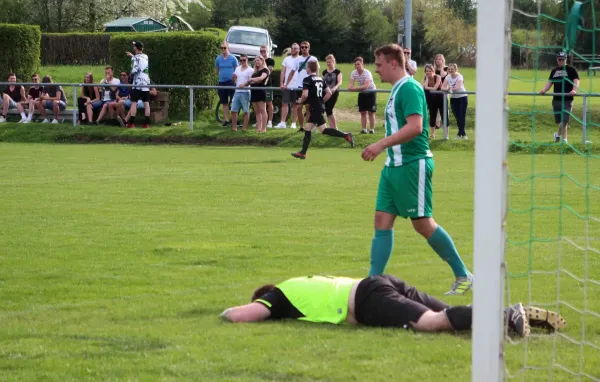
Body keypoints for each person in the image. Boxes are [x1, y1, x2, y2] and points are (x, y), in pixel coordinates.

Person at [361, 44, 473, 295]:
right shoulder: (397, 89)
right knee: (381, 221)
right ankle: (372, 283)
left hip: (413, 165)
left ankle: (463, 275)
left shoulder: (410, 88)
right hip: (393, 167)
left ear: (393, 63)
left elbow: (415, 127)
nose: (375, 69)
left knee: (423, 224)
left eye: (379, 64)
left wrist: (379, 144)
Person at [219, 274, 566, 338]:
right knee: (452, 318)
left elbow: (238, 316)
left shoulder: (279, 296)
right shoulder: (301, 283)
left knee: (430, 323)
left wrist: (221, 314)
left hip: (368, 301)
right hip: (379, 282)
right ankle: (509, 319)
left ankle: (508, 313)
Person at [291, 61, 355, 160]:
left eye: (307, 68)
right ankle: (303, 153)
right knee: (309, 128)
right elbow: (329, 93)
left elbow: (304, 95)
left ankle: (346, 135)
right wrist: (321, 102)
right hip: (318, 107)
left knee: (322, 130)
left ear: (309, 68)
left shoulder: (307, 80)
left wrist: (300, 100)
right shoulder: (320, 79)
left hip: (314, 108)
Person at [539, 51, 580, 143]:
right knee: (561, 121)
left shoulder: (571, 69)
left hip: (567, 99)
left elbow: (576, 81)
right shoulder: (554, 71)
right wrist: (544, 89)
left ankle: (564, 139)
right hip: (556, 99)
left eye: (562, 59)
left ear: (566, 59)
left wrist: (574, 90)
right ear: (557, 60)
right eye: (559, 60)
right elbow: (550, 82)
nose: (561, 61)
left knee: (565, 120)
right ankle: (558, 136)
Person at [126, 41, 152, 129]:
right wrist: (132, 56)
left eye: (134, 46)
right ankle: (146, 124)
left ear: (135, 48)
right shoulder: (146, 56)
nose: (133, 47)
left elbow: (134, 70)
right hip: (146, 83)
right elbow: (140, 60)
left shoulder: (134, 58)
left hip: (137, 83)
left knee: (134, 102)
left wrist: (130, 76)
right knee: (146, 103)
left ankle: (131, 123)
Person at [349, 56, 377, 134]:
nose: (357, 66)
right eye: (355, 65)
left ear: (362, 64)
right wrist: (358, 88)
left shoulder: (367, 73)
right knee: (362, 112)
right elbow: (350, 86)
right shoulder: (353, 73)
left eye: (358, 64)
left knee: (371, 112)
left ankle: (372, 129)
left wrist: (355, 88)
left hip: (371, 92)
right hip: (362, 93)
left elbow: (366, 86)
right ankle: (364, 129)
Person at [276, 43, 301, 129]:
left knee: (296, 105)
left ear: (299, 50)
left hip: (297, 86)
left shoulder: (301, 59)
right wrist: (281, 83)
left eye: (296, 48)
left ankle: (294, 123)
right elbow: (283, 72)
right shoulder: (286, 59)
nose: (294, 50)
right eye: (292, 48)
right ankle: (283, 122)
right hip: (287, 85)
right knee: (284, 104)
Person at [442, 64, 468, 139]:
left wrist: (449, 88)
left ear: (456, 69)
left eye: (452, 69)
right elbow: (443, 86)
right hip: (453, 98)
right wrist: (446, 88)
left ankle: (462, 133)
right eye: (449, 69)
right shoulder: (448, 77)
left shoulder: (460, 76)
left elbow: (458, 87)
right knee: (456, 115)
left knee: (461, 115)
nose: (450, 71)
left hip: (462, 97)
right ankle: (461, 133)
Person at [215, 41, 238, 127]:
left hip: (231, 82)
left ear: (228, 48)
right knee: (224, 102)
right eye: (221, 48)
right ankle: (226, 120)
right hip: (222, 82)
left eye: (224, 48)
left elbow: (237, 70)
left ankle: (234, 120)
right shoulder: (218, 59)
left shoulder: (233, 58)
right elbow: (217, 71)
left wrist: (235, 80)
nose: (223, 49)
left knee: (233, 101)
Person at [246, 56, 270, 133]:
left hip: (261, 91)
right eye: (255, 61)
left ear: (262, 61)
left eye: (258, 60)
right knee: (257, 111)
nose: (257, 62)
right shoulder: (255, 72)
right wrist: (254, 80)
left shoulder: (265, 70)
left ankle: (264, 128)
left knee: (263, 110)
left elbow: (261, 78)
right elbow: (251, 82)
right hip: (253, 91)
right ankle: (258, 128)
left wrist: (253, 79)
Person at [230, 54, 253, 132]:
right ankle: (234, 127)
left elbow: (250, 80)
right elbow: (234, 79)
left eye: (244, 60)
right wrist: (233, 79)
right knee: (233, 110)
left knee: (246, 110)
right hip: (237, 92)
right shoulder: (237, 68)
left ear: (247, 60)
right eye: (241, 60)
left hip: (245, 92)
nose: (242, 61)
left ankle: (244, 128)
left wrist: (245, 85)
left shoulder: (250, 69)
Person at [421, 64, 443, 140]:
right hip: (429, 99)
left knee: (443, 115)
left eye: (430, 71)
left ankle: (445, 135)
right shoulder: (425, 78)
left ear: (433, 71)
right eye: (426, 71)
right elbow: (422, 87)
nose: (428, 72)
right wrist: (427, 78)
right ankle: (432, 134)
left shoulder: (438, 77)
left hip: (439, 98)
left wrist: (427, 87)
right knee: (431, 116)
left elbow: (435, 88)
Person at [322, 54, 342, 130]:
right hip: (326, 93)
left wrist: (335, 88)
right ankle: (331, 128)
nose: (328, 64)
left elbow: (339, 82)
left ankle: (335, 127)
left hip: (333, 93)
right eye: (327, 62)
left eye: (330, 62)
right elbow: (323, 81)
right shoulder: (324, 72)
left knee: (329, 109)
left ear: (333, 62)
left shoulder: (337, 72)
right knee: (326, 110)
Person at [259, 45, 275, 128]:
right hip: (259, 85)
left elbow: (269, 70)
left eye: (264, 51)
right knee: (259, 103)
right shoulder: (258, 60)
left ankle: (270, 121)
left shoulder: (270, 60)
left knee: (269, 103)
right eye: (261, 51)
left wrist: (262, 62)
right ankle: (260, 121)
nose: (262, 53)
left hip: (268, 84)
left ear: (267, 51)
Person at [434, 54, 449, 130]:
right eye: (437, 59)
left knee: (443, 109)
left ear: (443, 60)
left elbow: (445, 77)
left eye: (440, 59)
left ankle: (444, 126)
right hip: (435, 92)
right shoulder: (433, 69)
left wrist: (442, 67)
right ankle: (437, 124)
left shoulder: (446, 69)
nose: (438, 61)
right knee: (435, 110)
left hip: (443, 92)